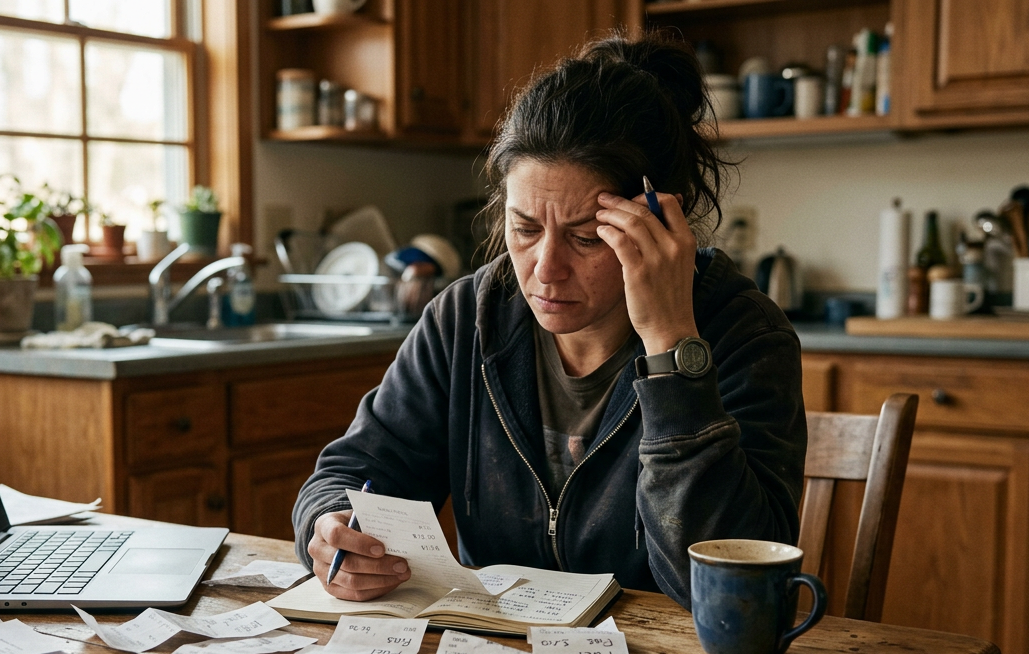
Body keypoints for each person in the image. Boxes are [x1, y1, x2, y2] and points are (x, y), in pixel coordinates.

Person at [291, 32, 807, 609]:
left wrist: (671, 347)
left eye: (588, 237)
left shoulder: (743, 334)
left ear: (664, 222)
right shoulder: (466, 320)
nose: (547, 270)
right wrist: (326, 525)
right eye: (525, 229)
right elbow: (356, 470)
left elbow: (734, 595)